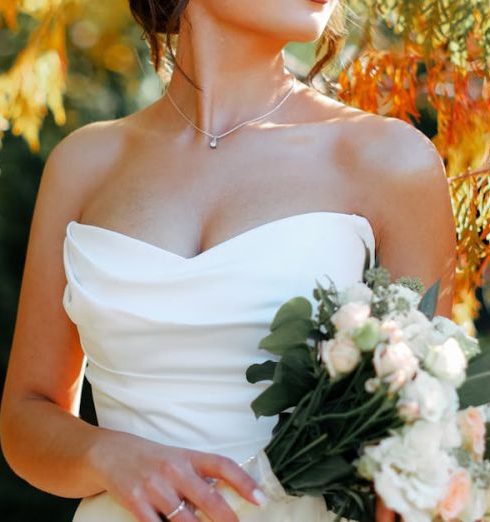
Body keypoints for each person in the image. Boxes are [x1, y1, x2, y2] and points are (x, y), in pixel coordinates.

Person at [0, 0, 456, 521]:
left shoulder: (390, 161)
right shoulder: (84, 165)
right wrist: (106, 454)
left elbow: (424, 443)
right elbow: (26, 416)